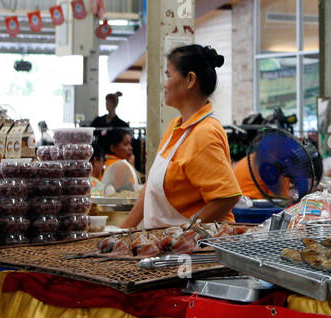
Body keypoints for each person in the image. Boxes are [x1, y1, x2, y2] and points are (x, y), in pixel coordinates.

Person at [123, 46, 241, 230]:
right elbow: (152, 185)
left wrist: (186, 235)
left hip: (198, 250)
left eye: (169, 75)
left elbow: (227, 196)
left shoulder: (205, 133)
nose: (165, 83)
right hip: (169, 246)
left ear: (190, 79)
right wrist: (124, 229)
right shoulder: (176, 127)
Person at [96, 126, 139, 193]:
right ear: (113, 148)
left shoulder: (107, 161)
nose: (130, 148)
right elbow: (132, 188)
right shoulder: (119, 165)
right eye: (125, 144)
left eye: (130, 144)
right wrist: (131, 166)